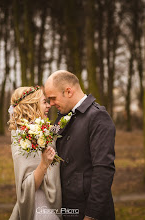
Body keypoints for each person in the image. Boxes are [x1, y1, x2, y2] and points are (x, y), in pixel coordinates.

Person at [44, 70, 116, 220]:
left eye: (53, 98)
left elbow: (103, 169)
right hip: (66, 208)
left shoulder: (98, 117)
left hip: (87, 211)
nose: (50, 104)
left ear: (68, 91)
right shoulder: (62, 117)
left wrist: (91, 214)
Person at [8, 86, 62, 220]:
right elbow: (26, 186)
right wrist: (44, 163)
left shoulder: (41, 131)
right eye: (44, 102)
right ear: (32, 105)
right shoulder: (22, 138)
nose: (49, 105)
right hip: (41, 207)